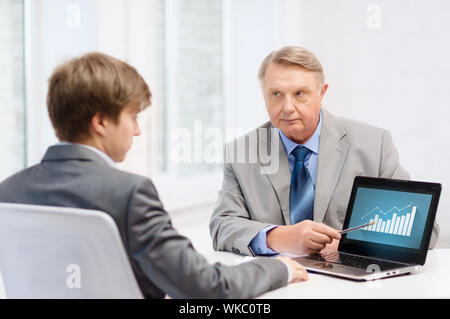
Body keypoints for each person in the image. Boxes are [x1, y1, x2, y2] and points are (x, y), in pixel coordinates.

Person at [0, 52, 308, 299]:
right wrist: (275, 269)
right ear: (101, 123)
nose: (137, 129)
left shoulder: (9, 192)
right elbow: (206, 287)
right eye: (132, 117)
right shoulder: (129, 193)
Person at [209, 46, 439, 256]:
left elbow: (424, 229)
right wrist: (278, 237)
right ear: (264, 96)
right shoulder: (241, 152)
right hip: (278, 283)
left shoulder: (373, 144)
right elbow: (222, 226)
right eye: (276, 94)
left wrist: (353, 245)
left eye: (300, 93)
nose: (288, 108)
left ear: (322, 93)